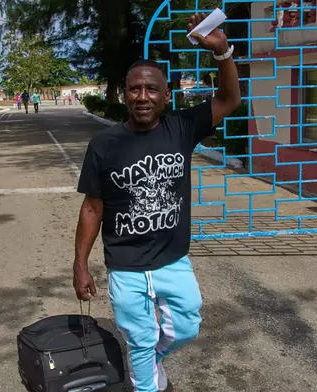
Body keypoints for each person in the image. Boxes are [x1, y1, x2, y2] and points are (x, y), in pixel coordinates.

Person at [72, 13, 240, 392]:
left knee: (186, 328)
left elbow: (230, 99)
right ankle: (147, 379)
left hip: (173, 261)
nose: (142, 97)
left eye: (151, 89)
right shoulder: (104, 145)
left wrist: (222, 51)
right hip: (126, 267)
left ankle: (146, 361)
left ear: (166, 96)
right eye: (134, 89)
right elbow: (91, 208)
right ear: (124, 94)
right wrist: (80, 265)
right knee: (140, 338)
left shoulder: (181, 127)